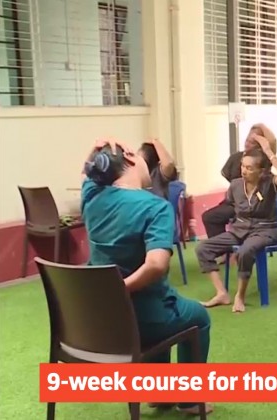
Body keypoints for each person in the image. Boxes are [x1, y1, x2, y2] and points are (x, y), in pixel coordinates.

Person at [80, 139, 212, 414]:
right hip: (143, 319)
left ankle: (158, 392)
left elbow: (86, 174)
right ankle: (189, 399)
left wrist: (96, 149)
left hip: (99, 323)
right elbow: (156, 265)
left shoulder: (92, 197)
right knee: (198, 317)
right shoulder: (155, 206)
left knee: (161, 307)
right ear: (130, 157)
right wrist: (120, 289)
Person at [196, 135, 277, 313]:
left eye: (249, 168)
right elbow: (233, 206)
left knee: (246, 250)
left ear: (261, 171)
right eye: (242, 166)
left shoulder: (269, 183)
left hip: (264, 230)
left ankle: (240, 296)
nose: (244, 171)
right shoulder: (235, 185)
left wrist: (268, 151)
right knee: (203, 248)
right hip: (239, 229)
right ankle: (221, 293)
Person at [201, 124, 277, 239]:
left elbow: (272, 141)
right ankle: (223, 245)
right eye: (247, 140)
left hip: (254, 204)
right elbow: (228, 176)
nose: (248, 144)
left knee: (215, 216)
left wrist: (260, 126)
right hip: (235, 202)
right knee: (209, 217)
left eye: (253, 142)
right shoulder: (237, 157)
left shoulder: (263, 159)